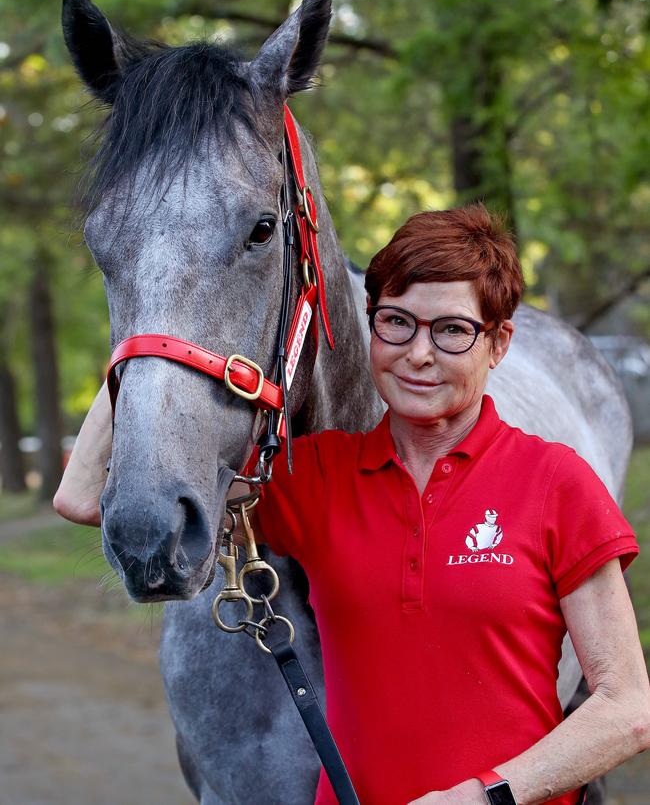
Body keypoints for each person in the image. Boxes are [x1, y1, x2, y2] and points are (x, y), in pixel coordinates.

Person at [55, 205, 649, 805]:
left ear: (496, 345)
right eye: (397, 323)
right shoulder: (318, 476)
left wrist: (481, 797)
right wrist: (156, 331)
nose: (419, 353)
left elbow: (627, 707)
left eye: (452, 330)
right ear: (370, 327)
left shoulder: (556, 482)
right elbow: (82, 496)